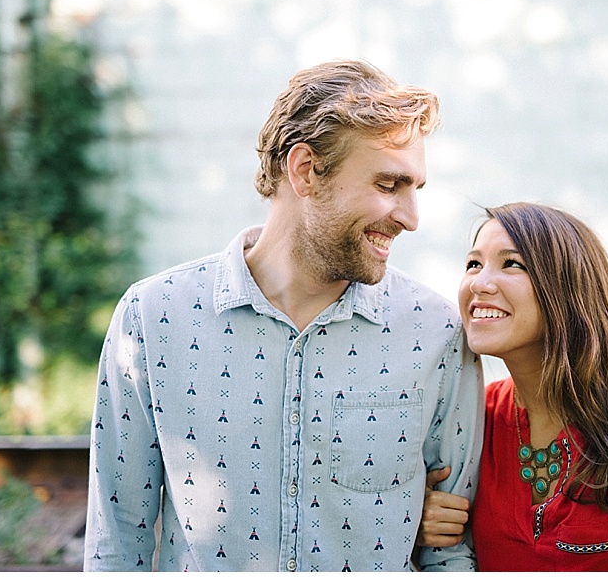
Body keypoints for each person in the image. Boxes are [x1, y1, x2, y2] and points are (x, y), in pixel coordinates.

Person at [83, 60, 484, 572]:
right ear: (305, 170)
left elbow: (449, 557)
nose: (410, 217)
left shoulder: (436, 333)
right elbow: (117, 543)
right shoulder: (153, 318)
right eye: (389, 185)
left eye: (414, 189)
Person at [418, 202, 608, 571]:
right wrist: (413, 518)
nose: (479, 284)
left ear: (568, 288)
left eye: (511, 263)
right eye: (473, 264)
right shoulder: (472, 416)